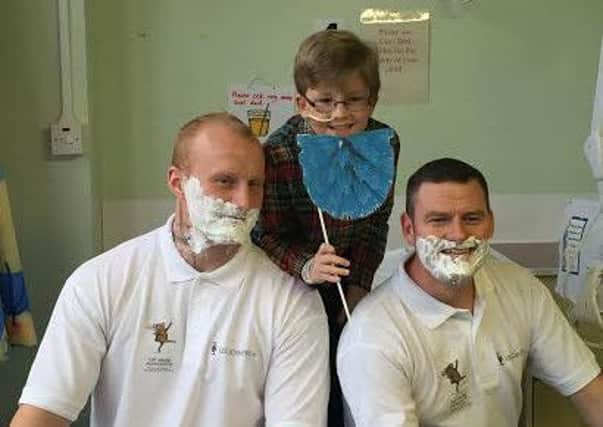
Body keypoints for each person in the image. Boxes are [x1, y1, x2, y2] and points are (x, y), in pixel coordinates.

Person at [11, 113, 330, 427]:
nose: (244, 201)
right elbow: (42, 415)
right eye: (225, 181)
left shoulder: (293, 302)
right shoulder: (101, 282)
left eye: (255, 184)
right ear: (177, 182)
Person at [337, 158, 603, 427]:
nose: (458, 234)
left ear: (490, 224)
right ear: (409, 229)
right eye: (439, 220)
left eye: (472, 218)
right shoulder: (372, 337)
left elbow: (591, 392)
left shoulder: (521, 288)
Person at [252, 29, 400, 427]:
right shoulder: (279, 153)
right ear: (302, 102)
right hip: (293, 285)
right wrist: (305, 265)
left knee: (356, 381)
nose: (340, 114)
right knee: (310, 396)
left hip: (349, 282)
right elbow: (264, 235)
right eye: (324, 102)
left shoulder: (383, 144)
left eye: (354, 100)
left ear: (373, 99)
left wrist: (359, 286)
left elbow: (376, 222)